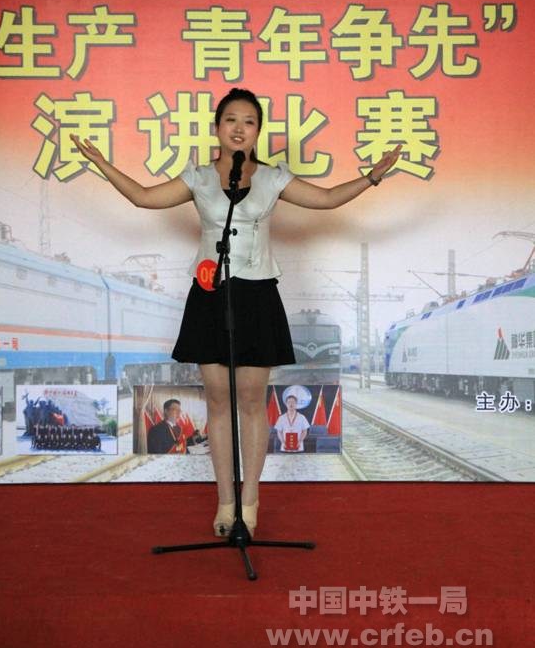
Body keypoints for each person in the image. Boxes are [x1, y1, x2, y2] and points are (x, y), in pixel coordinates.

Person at [70, 87, 401, 538]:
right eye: (231, 120)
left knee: (250, 401)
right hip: (211, 293)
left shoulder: (273, 178)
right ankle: (225, 500)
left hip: (257, 294)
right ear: (218, 128)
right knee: (217, 401)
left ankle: (250, 500)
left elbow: (326, 199)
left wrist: (373, 177)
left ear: (257, 131)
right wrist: (102, 164)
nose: (239, 128)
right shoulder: (199, 177)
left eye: (248, 121)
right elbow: (144, 197)